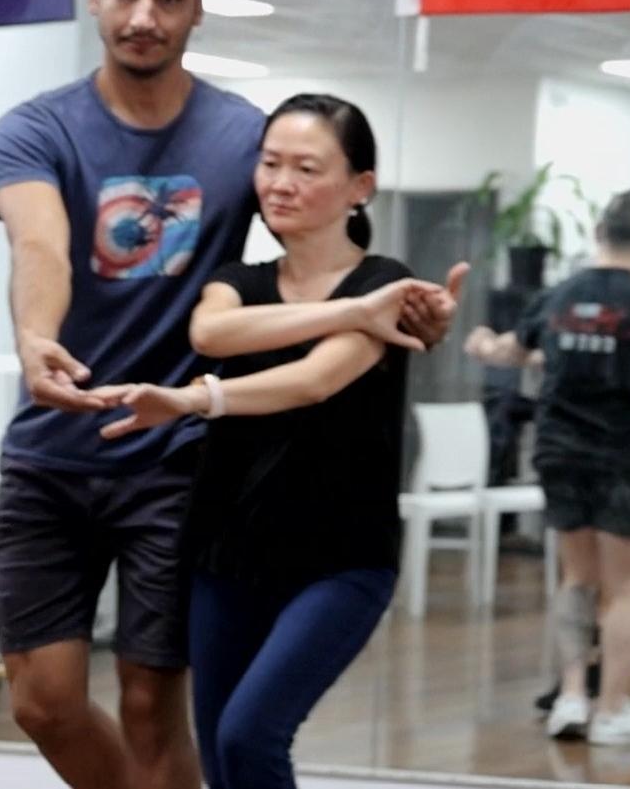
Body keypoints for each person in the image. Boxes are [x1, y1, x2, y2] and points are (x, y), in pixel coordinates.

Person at [0, 0, 456, 789]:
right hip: (51, 455)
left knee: (151, 707)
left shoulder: (244, 137)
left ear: (199, 8)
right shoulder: (35, 127)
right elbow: (40, 242)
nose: (144, 14)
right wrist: (35, 337)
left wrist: (406, 306)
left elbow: (323, 224)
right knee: (42, 701)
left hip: (177, 464)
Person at [92, 94, 461, 789]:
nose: (281, 182)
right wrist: (350, 311)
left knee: (251, 732)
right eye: (270, 163)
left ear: (359, 187)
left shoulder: (385, 283)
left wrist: (197, 398)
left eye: (306, 167)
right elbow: (211, 334)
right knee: (224, 758)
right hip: (225, 550)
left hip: (341, 560)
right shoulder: (241, 280)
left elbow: (316, 379)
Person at [466, 189, 630, 745]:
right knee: (628, 586)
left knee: (577, 576)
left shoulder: (559, 295)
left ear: (599, 232)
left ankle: (571, 698)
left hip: (559, 451)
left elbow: (515, 350)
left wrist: (485, 344)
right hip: (627, 456)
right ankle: (610, 710)